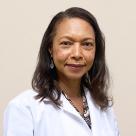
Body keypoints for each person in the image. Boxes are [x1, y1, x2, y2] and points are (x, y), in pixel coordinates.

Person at [3, 7, 120, 136]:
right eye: (66, 43)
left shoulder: (104, 106)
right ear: (50, 49)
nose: (77, 54)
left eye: (87, 44)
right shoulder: (24, 108)